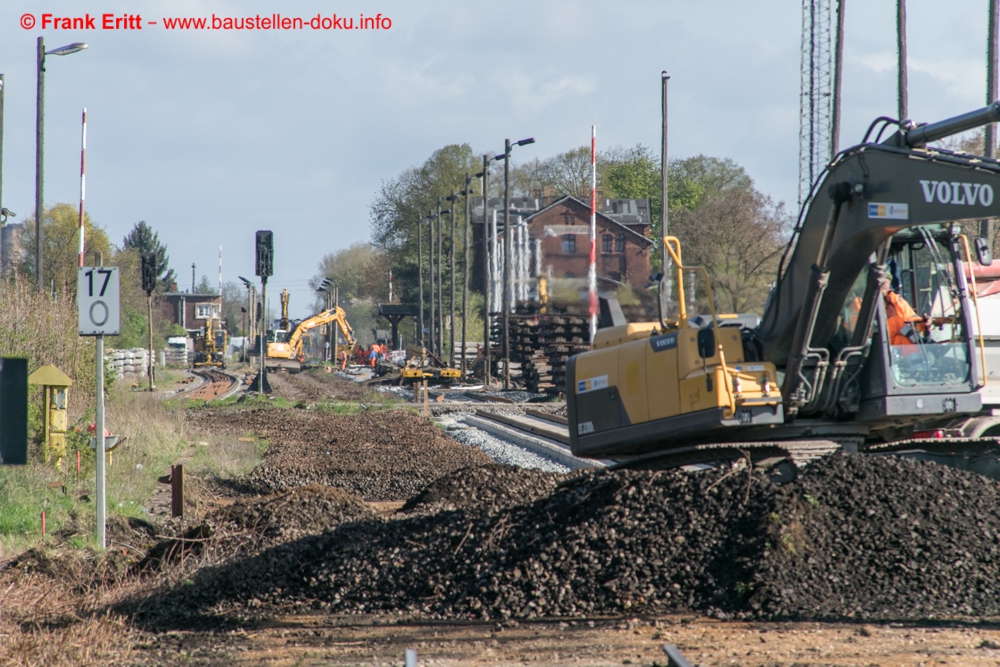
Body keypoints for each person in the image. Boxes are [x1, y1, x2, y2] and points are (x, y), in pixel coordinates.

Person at [881, 280, 930, 347]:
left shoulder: (898, 301)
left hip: (897, 349)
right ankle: (925, 345)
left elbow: (911, 319)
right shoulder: (865, 301)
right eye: (881, 280)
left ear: (889, 283)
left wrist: (923, 323)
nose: (883, 284)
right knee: (899, 323)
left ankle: (927, 348)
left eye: (886, 281)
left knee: (904, 339)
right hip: (881, 343)